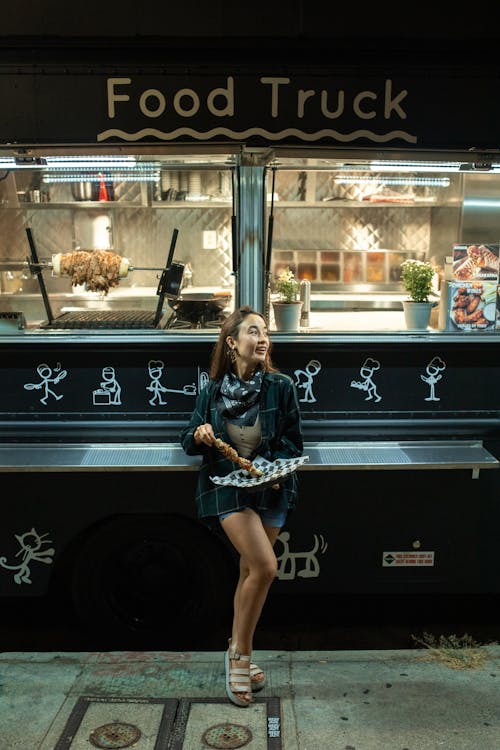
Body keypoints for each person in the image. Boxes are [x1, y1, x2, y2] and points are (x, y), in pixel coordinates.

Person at [180, 305, 303, 707]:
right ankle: (240, 659)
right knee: (266, 567)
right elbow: (187, 441)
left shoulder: (281, 387)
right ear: (232, 343)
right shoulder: (211, 392)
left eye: (266, 331)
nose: (263, 338)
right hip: (226, 489)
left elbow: (292, 443)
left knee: (250, 570)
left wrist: (267, 469)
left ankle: (236, 647)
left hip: (271, 488)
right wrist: (199, 434)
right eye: (254, 331)